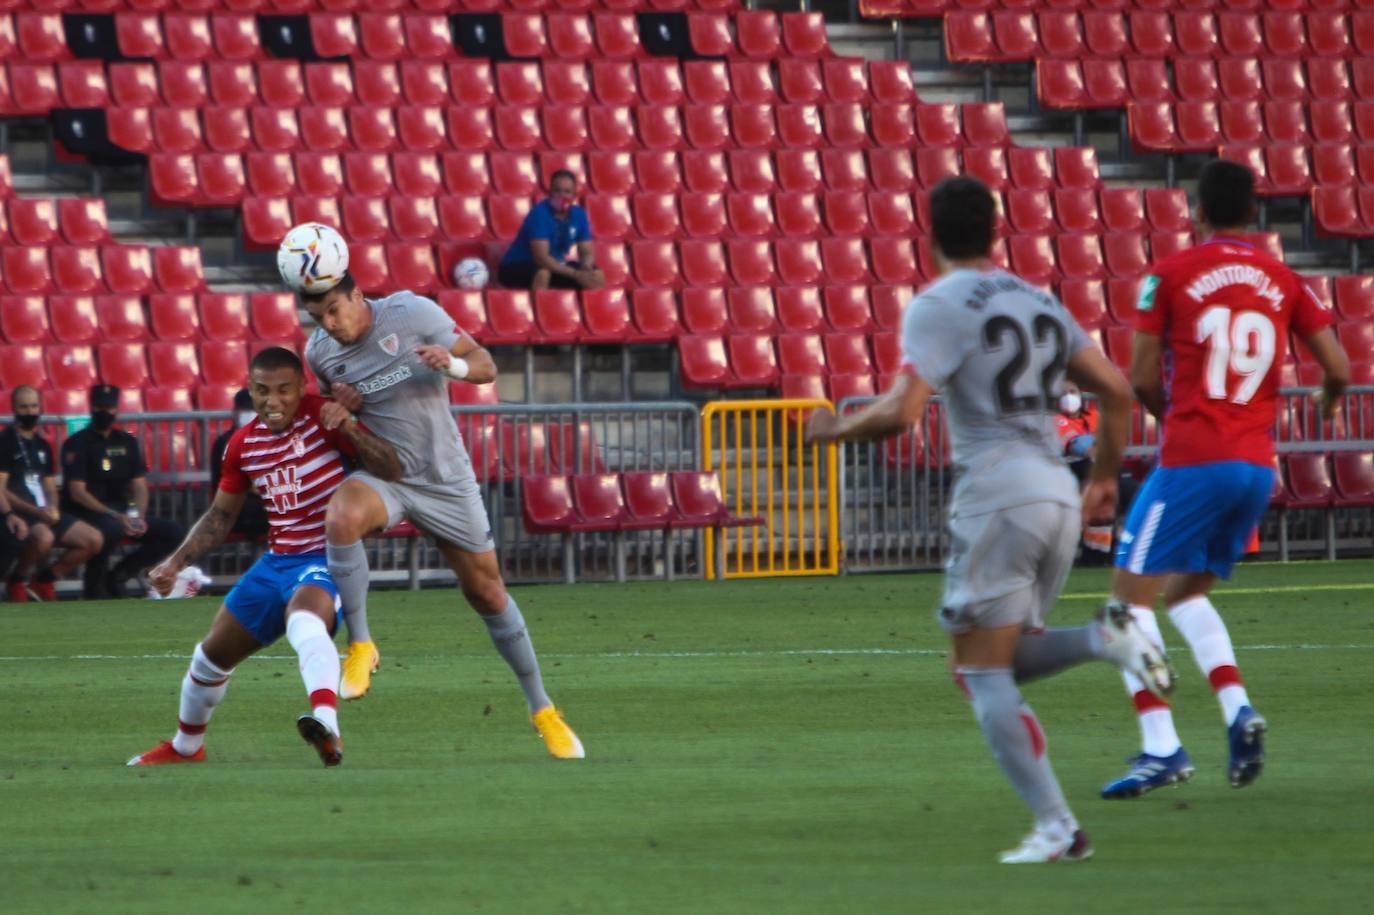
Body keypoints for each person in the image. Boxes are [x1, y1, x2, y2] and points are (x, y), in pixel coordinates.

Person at [805, 176, 1171, 864]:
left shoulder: (937, 304)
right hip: (1059, 497)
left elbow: (904, 412)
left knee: (980, 673)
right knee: (989, 660)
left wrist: (831, 431)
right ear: (996, 232)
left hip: (1000, 494)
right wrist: (1101, 479)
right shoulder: (1037, 299)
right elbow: (1118, 390)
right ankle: (1104, 639)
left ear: (931, 234)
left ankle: (1059, 826)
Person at [1098, 159, 1351, 799]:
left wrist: (1171, 418)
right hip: (1255, 468)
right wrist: (1326, 400)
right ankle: (1238, 710)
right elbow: (1340, 368)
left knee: (1126, 604)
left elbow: (1145, 377)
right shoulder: (1285, 278)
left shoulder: (1171, 274)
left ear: (1198, 213)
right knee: (1183, 594)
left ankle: (1162, 748)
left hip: (1193, 457)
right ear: (1254, 214)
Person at [300, 269, 585, 759]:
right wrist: (343, 407)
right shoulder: (319, 353)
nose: (329, 324)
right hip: (388, 476)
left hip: (444, 477)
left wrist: (451, 365)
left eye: (334, 311)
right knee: (341, 516)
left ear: (358, 295)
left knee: (487, 593)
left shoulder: (411, 312)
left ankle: (543, 710)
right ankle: (362, 645)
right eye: (316, 317)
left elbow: (485, 364)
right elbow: (342, 406)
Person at [127, 347, 404, 768]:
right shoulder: (244, 444)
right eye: (261, 391)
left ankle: (326, 722)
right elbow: (221, 516)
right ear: (249, 390)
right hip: (276, 562)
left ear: (301, 388)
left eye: (283, 391)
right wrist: (175, 562)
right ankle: (186, 748)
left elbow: (391, 467)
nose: (272, 401)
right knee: (209, 658)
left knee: (305, 622)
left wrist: (349, 425)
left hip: (327, 558)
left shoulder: (323, 416)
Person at [60, 385, 186, 599]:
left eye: (110, 407)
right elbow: (77, 492)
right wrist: (116, 516)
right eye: (100, 406)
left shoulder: (127, 442)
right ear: (91, 407)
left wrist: (139, 516)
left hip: (122, 511)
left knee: (173, 532)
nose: (105, 412)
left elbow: (139, 484)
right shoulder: (77, 443)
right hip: (88, 513)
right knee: (109, 529)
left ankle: (120, 574)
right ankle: (95, 587)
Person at [0, 386, 105, 601]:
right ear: (14, 409)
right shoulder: (5, 442)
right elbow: (1, 488)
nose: (30, 411)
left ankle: (45, 579)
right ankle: (18, 580)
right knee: (44, 537)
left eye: (34, 406)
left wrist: (53, 507)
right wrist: (31, 512)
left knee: (93, 539)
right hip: (22, 511)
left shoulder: (42, 445)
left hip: (43, 512)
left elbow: (49, 486)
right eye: (24, 407)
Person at [496, 169, 605, 291]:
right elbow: (541, 258)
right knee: (543, 273)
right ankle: (540, 309)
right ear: (550, 193)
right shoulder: (539, 214)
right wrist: (576, 274)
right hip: (517, 266)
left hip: (555, 266)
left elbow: (586, 251)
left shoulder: (579, 215)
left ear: (574, 195)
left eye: (567, 192)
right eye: (557, 191)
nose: (562, 196)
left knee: (596, 275)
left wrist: (586, 267)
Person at [209, 388, 269, 540]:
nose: (251, 414)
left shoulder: (268, 439)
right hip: (234, 507)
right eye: (246, 410)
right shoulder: (225, 443)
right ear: (235, 412)